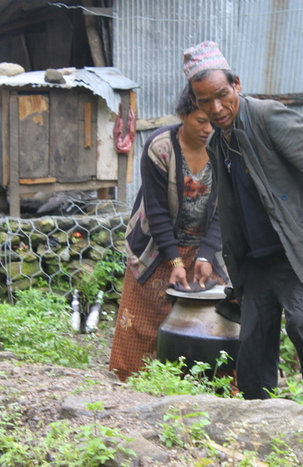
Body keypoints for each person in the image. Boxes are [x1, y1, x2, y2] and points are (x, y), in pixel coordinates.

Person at [183, 41, 303, 422]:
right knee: (253, 339)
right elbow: (228, 205)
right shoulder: (218, 142)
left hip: (296, 250)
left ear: (237, 85)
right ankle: (259, 419)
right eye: (204, 101)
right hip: (257, 259)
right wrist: (219, 256)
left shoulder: (268, 117)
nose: (215, 108)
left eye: (222, 95)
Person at [109, 85, 228, 381]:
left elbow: (226, 207)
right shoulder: (160, 147)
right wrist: (175, 261)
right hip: (156, 245)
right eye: (200, 121)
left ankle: (203, 388)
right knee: (142, 322)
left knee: (212, 320)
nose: (208, 128)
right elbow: (156, 210)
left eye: (212, 121)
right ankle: (133, 386)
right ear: (183, 116)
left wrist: (207, 254)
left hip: (204, 248)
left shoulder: (225, 146)